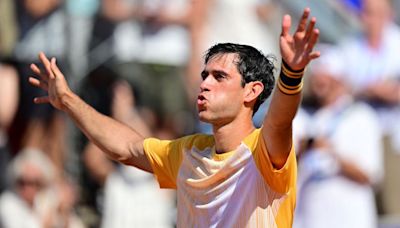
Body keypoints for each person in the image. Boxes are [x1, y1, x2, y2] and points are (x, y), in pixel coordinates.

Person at [28, 8, 320, 227]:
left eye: (219, 77)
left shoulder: (263, 153)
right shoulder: (190, 152)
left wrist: (292, 73)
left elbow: (280, 121)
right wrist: (67, 100)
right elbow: (127, 148)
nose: (204, 83)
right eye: (204, 75)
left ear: (251, 92)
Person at [293, 48, 383, 228]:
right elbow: (280, 169)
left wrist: (331, 154)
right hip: (307, 219)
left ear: (341, 80)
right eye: (318, 77)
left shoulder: (362, 117)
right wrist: (305, 148)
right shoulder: (299, 116)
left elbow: (369, 176)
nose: (321, 83)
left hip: (350, 220)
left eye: (328, 78)